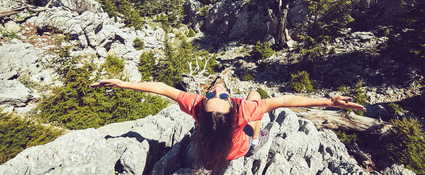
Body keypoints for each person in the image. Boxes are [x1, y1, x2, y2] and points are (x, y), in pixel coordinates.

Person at [90, 79, 365, 174]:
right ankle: (255, 140)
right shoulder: (243, 109)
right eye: (216, 95)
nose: (218, 92)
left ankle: (247, 141)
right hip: (238, 150)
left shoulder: (198, 106)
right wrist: (328, 101)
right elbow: (284, 100)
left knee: (257, 101)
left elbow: (161, 88)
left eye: (217, 95)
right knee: (257, 96)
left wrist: (124, 84)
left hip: (208, 151)